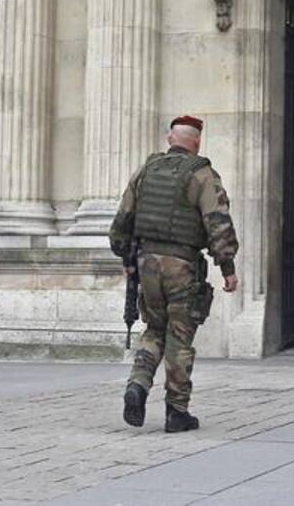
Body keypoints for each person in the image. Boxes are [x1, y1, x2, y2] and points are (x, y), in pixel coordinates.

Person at [110, 115, 240, 433]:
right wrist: (228, 268)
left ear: (171, 139)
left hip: (146, 265)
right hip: (181, 266)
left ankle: (138, 385)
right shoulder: (203, 174)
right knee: (179, 336)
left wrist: (126, 254)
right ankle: (176, 411)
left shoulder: (146, 170)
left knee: (154, 328)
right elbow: (217, 223)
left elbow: (122, 219)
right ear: (196, 143)